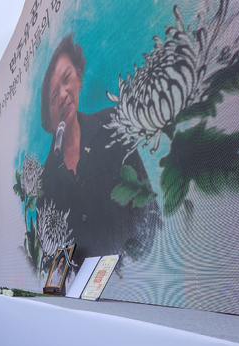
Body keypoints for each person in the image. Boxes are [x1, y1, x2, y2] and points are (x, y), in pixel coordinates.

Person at [38, 34, 160, 263]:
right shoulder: (46, 180)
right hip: (79, 294)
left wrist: (137, 268)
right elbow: (52, 252)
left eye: (67, 79)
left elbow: (148, 209)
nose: (64, 94)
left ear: (78, 78)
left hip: (131, 283)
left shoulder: (111, 125)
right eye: (54, 96)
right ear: (49, 118)